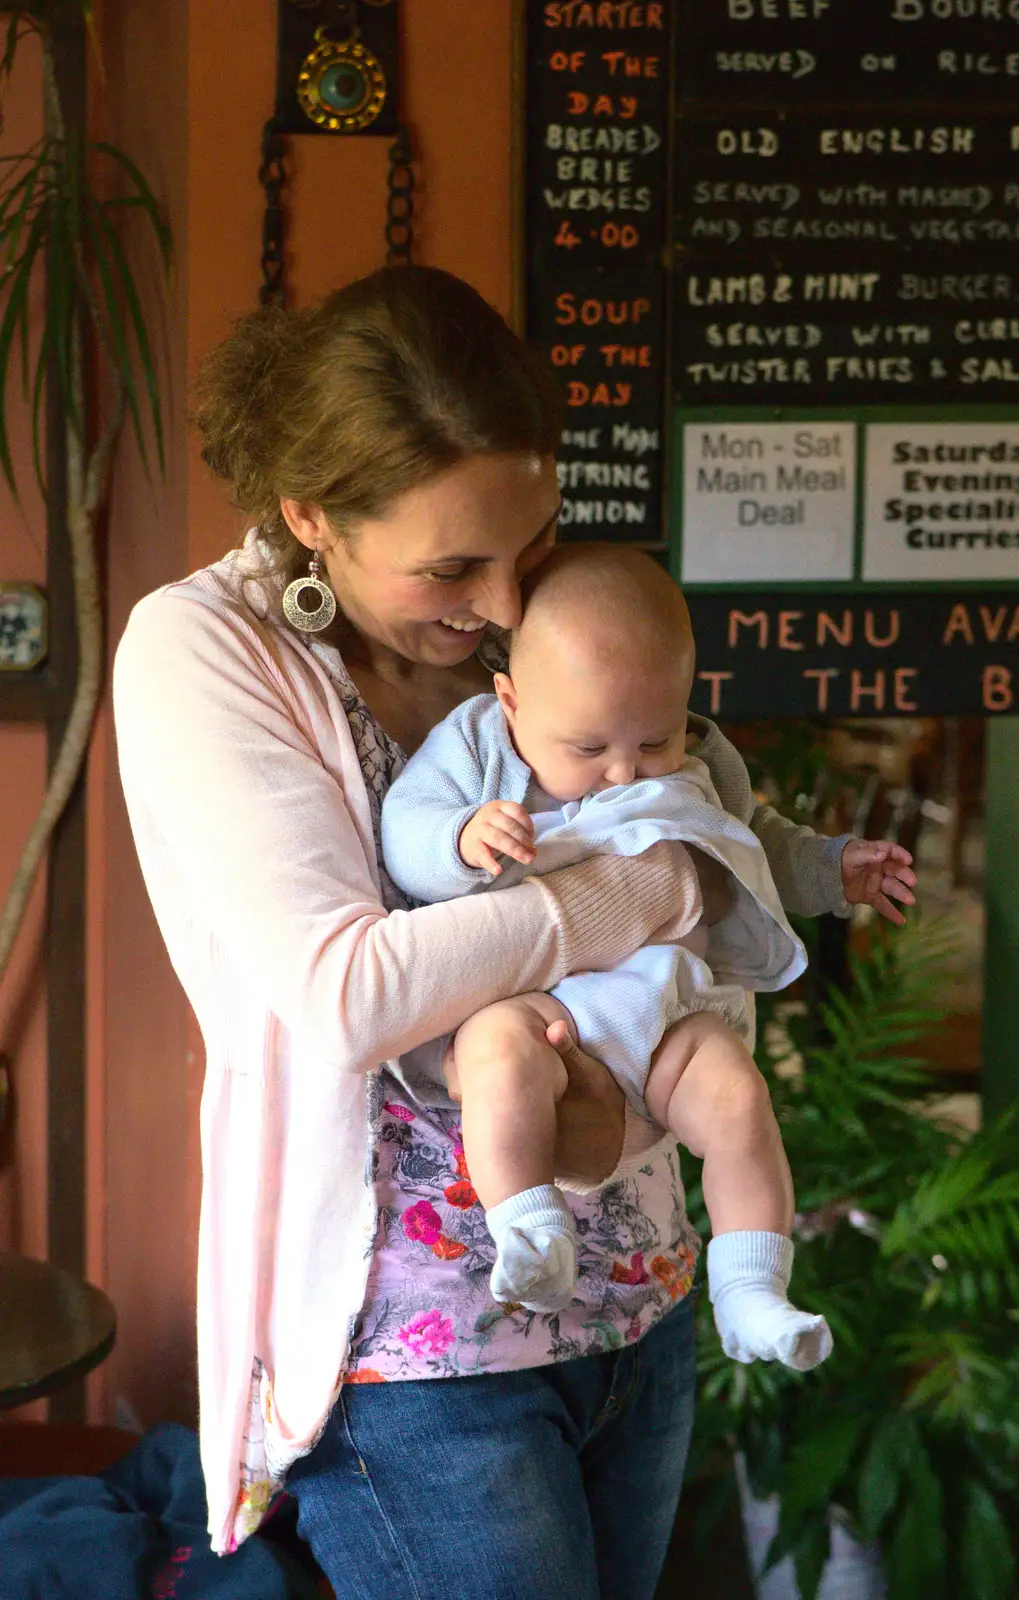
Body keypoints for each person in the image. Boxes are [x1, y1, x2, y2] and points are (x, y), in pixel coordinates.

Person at [113, 265, 914, 1600]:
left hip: (639, 1284)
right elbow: (350, 994)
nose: (497, 602)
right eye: (449, 566)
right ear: (312, 514)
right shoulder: (205, 652)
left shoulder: (565, 628)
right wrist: (637, 895)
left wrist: (649, 1102)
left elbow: (713, 883)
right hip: (417, 1345)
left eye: (525, 546)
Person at [382, 541, 838, 1368]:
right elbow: (403, 827)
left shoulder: (698, 757)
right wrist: (457, 836)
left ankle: (750, 1290)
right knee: (494, 1056)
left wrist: (836, 868)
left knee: (737, 1101)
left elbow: (752, 841)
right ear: (510, 701)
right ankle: (529, 1228)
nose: (622, 772)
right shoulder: (480, 747)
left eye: (653, 742)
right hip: (537, 1001)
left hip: (665, 1005)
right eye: (588, 750)